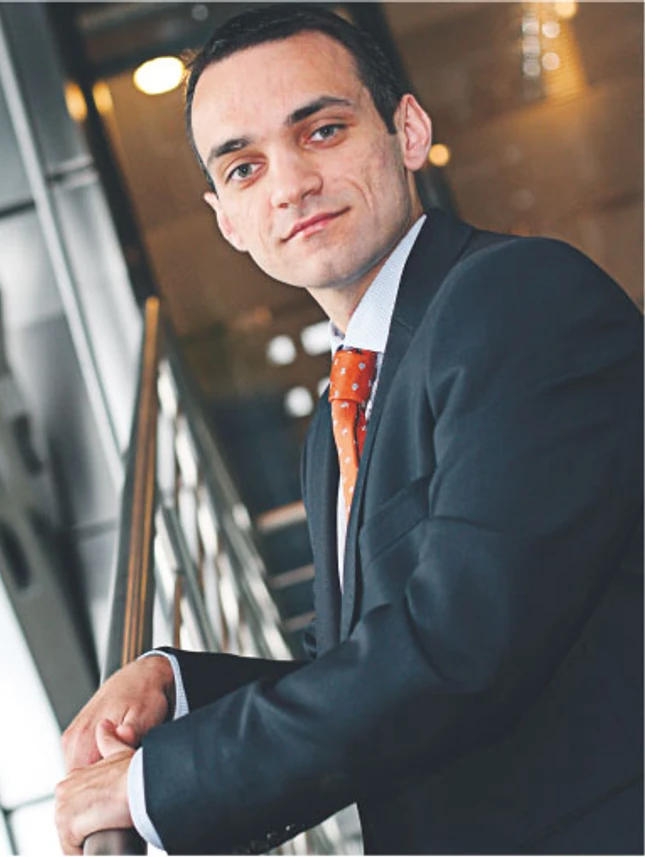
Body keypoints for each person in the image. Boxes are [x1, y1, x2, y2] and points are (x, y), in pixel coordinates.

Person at [54, 6, 643, 854]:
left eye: (321, 131)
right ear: (226, 219)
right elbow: (363, 664)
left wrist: (156, 783)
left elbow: (459, 646)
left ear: (407, 131)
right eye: (245, 167)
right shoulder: (345, 405)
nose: (289, 184)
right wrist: (174, 684)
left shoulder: (516, 298)